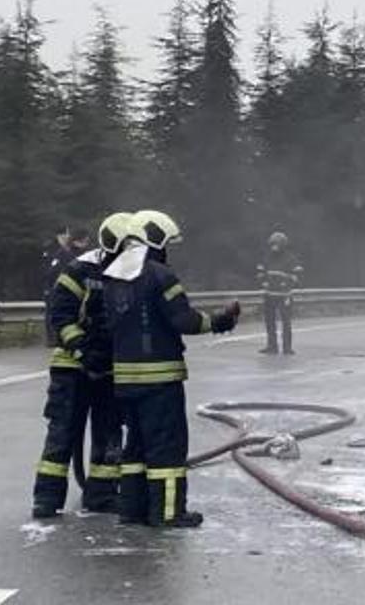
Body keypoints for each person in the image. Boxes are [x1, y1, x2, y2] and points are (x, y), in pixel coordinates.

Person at [104, 210, 239, 527]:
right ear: (155, 240)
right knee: (166, 448)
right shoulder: (159, 275)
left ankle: (132, 510)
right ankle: (167, 513)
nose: (167, 250)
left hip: (125, 379)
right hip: (160, 379)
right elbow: (184, 320)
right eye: (166, 243)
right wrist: (221, 320)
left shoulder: (113, 274)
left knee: (135, 448)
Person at [31, 214, 131, 519]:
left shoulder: (131, 272)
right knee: (63, 432)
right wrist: (83, 349)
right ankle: (47, 498)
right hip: (72, 368)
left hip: (109, 370)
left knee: (109, 433)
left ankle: (101, 494)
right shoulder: (80, 269)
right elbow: (60, 315)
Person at [257, 231, 302, 355]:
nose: (274, 247)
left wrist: (287, 284)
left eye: (277, 244)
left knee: (286, 322)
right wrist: (263, 282)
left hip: (284, 296)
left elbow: (297, 276)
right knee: (269, 321)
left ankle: (287, 348)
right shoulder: (266, 257)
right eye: (272, 244)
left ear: (283, 245)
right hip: (269, 294)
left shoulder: (290, 259)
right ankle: (272, 346)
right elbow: (260, 273)